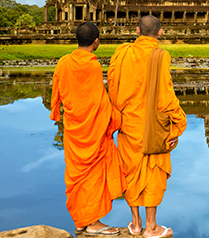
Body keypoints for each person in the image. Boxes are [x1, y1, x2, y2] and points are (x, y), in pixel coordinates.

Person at [107, 15, 187, 238]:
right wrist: (179, 124)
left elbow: (112, 86)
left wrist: (119, 113)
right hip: (153, 127)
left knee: (130, 171)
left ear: (137, 30)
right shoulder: (160, 55)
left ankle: (135, 223)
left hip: (128, 123)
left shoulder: (122, 53)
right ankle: (151, 227)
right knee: (153, 171)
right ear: (160, 33)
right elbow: (166, 96)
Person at [50, 22, 125, 236]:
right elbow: (99, 102)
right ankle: (92, 223)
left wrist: (57, 112)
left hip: (74, 129)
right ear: (96, 41)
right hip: (92, 131)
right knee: (92, 175)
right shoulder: (92, 66)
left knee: (78, 175)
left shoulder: (63, 63)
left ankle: (82, 221)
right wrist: (117, 117)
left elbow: (58, 93)